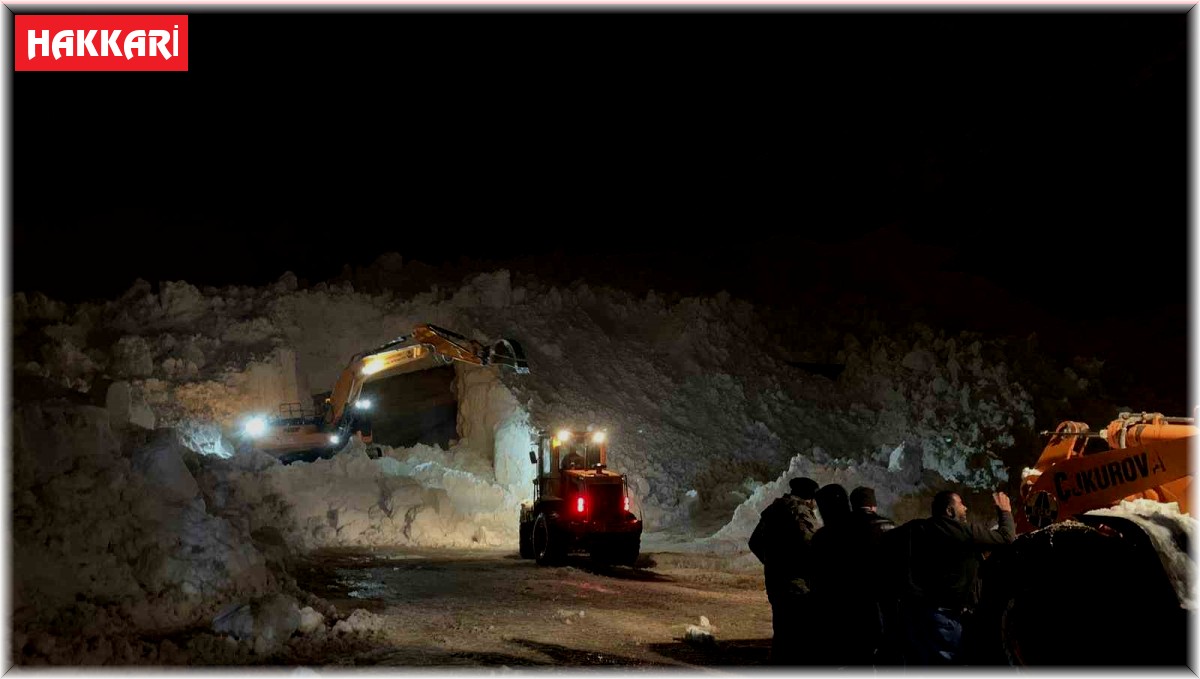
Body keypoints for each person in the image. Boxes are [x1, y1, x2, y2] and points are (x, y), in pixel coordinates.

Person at [893, 490, 1015, 665]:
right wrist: (1005, 511)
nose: (965, 508)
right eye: (961, 504)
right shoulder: (956, 530)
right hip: (944, 619)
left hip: (915, 615)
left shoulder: (915, 528)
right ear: (949, 511)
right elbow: (1006, 537)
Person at [748, 476, 821, 665]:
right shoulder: (799, 512)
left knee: (781, 630)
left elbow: (754, 542)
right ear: (809, 498)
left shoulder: (773, 510)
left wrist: (772, 563)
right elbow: (812, 547)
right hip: (796, 583)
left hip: (775, 581)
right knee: (799, 634)